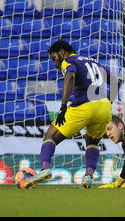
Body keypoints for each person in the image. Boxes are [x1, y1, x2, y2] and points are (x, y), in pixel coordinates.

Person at [26, 39, 120, 189]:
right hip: (104, 108)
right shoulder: (94, 62)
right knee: (92, 142)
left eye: (54, 59)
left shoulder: (68, 61)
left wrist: (63, 107)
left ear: (62, 53)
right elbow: (116, 81)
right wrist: (109, 102)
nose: (55, 64)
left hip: (83, 106)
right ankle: (88, 176)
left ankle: (44, 169)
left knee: (50, 136)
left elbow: (70, 76)